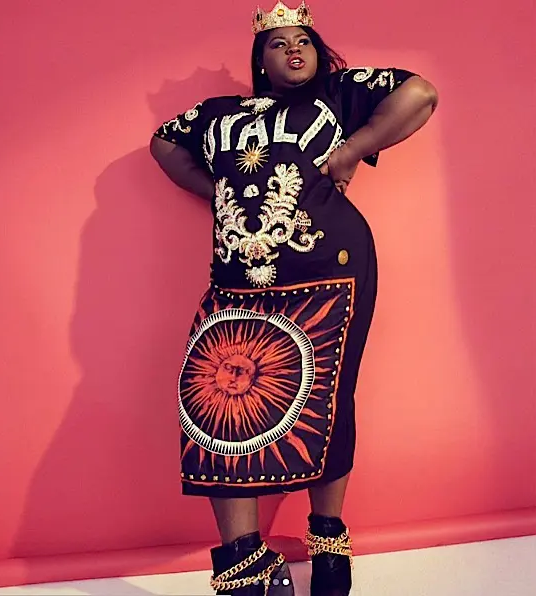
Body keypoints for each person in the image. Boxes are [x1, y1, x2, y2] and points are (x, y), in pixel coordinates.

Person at [150, 2, 438, 594]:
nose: (293, 50)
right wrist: (220, 190)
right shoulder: (218, 113)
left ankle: (328, 539)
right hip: (237, 278)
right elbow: (163, 145)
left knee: (325, 400)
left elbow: (420, 93)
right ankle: (242, 562)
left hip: (329, 270)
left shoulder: (337, 93)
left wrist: (351, 151)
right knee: (218, 401)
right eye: (278, 43)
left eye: (302, 40)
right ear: (260, 59)